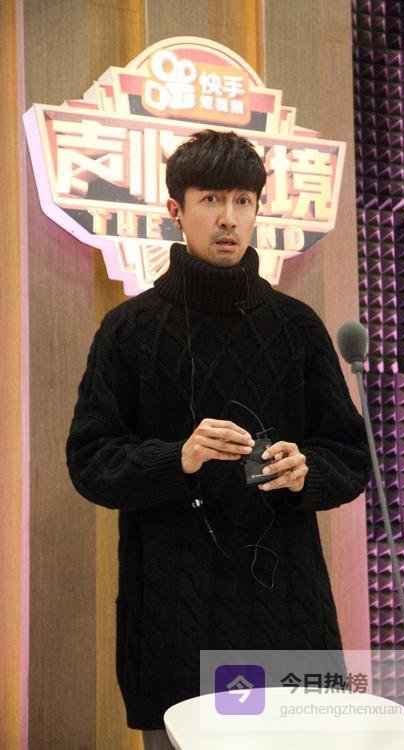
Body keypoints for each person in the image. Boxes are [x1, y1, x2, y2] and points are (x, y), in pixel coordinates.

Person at [66, 129, 372, 749]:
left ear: (258, 210)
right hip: (172, 618)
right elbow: (90, 459)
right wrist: (177, 459)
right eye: (210, 199)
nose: (228, 217)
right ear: (175, 211)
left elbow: (349, 455)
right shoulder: (129, 329)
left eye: (243, 201)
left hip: (289, 616)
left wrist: (307, 469)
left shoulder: (297, 326)